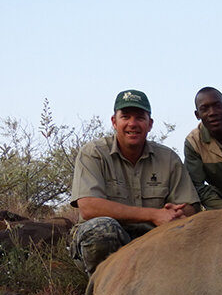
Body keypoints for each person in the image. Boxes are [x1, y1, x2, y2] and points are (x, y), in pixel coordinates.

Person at [69, 89, 200, 274]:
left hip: (153, 240)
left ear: (150, 124)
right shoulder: (94, 153)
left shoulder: (168, 158)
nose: (132, 123)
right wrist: (154, 215)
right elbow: (89, 207)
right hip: (109, 239)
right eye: (125, 117)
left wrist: (176, 215)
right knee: (102, 231)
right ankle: (101, 293)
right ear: (114, 122)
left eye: (140, 117)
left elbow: (189, 207)